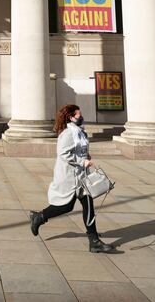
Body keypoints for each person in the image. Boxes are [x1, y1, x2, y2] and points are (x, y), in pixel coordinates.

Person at [28, 104, 114, 253]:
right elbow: (63, 153)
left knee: (88, 204)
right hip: (69, 177)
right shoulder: (68, 133)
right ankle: (39, 217)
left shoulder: (80, 132)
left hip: (81, 177)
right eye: (78, 115)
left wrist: (86, 156)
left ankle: (94, 241)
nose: (81, 117)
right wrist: (82, 161)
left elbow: (79, 150)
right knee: (66, 206)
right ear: (71, 117)